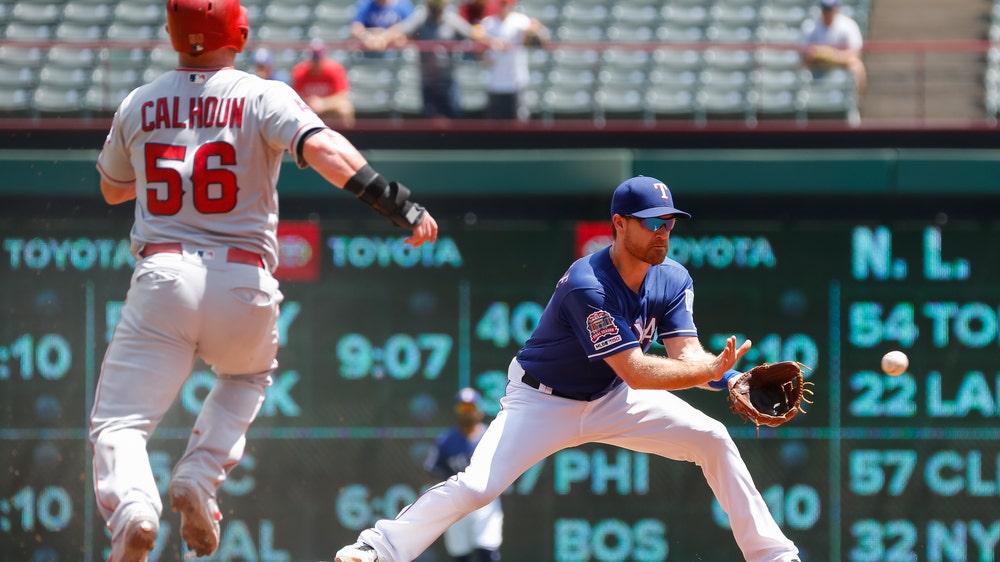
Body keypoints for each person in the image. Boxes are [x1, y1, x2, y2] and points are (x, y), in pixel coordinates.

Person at [89, 1, 438, 561]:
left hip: (164, 273)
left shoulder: (139, 101)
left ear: (172, 33)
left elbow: (111, 188)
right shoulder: (261, 93)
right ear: (240, 33)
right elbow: (324, 148)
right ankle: (199, 478)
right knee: (247, 375)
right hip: (243, 278)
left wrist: (166, 170)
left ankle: (134, 508)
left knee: (121, 423)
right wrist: (398, 204)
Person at [333, 175, 799, 562]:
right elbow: (638, 370)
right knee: (477, 486)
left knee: (713, 439)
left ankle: (775, 557)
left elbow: (687, 356)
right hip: (542, 400)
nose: (663, 231)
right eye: (652, 222)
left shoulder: (673, 277)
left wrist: (729, 376)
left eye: (670, 222)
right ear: (619, 225)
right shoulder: (587, 284)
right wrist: (706, 373)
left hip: (613, 398)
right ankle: (377, 549)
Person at [424, 388, 503, 562]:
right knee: (460, 556)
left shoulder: (492, 435)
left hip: (485, 501)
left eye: (470, 408)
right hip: (456, 502)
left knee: (487, 552)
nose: (466, 413)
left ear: (479, 410)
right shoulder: (446, 440)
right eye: (462, 408)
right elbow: (432, 470)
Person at [383, 0, 476, 119]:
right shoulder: (421, 17)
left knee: (455, 118)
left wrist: (491, 40)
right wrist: (381, 37)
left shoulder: (451, 19)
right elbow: (400, 30)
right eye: (433, 5)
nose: (436, 8)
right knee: (430, 120)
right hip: (428, 80)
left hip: (448, 79)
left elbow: (472, 33)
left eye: (439, 5)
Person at [479, 0, 547, 120]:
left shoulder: (520, 21)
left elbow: (542, 38)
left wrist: (535, 28)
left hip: (515, 82)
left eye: (506, 3)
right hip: (495, 82)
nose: (504, 6)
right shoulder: (488, 23)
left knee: (517, 123)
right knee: (494, 124)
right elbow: (479, 50)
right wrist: (490, 42)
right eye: (502, 3)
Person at [800, 0, 866, 98]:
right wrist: (820, 54)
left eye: (830, 9)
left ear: (837, 9)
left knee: (857, 66)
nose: (828, 12)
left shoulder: (848, 25)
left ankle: (854, 103)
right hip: (818, 63)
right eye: (825, 9)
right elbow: (803, 53)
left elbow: (856, 52)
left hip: (841, 63)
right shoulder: (811, 26)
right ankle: (806, 101)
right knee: (801, 67)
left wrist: (834, 56)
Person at [291, 39, 356, 127]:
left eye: (318, 59)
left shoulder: (335, 69)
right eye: (314, 59)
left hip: (329, 108)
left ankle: (345, 138)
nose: (316, 62)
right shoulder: (300, 71)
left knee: (345, 109)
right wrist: (310, 102)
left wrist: (324, 103)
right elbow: (294, 97)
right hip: (307, 109)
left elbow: (343, 95)